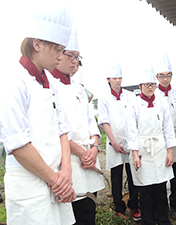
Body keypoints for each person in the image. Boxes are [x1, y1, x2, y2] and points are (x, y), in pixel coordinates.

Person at [0, 4, 76, 224]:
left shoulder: (50, 81)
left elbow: (62, 128)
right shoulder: (14, 80)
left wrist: (66, 171)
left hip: (56, 178)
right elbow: (17, 143)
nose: (62, 57)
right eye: (59, 50)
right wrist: (56, 180)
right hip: (29, 182)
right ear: (37, 44)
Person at [48, 26, 105, 225]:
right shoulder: (49, 87)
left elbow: (92, 123)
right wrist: (82, 153)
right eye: (70, 56)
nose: (74, 61)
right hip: (69, 160)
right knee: (71, 213)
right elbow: (56, 128)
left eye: (77, 57)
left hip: (88, 158)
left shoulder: (79, 88)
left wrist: (95, 148)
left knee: (89, 210)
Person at [126, 66, 176, 225]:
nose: (150, 88)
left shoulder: (162, 102)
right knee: (145, 191)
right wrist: (135, 155)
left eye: (152, 85)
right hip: (142, 150)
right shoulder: (133, 104)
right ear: (140, 86)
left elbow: (168, 129)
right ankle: (148, 221)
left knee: (161, 189)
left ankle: (163, 220)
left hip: (160, 149)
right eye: (146, 85)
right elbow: (131, 131)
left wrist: (170, 152)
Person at [98, 61, 141, 221]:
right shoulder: (104, 98)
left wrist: (132, 141)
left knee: (133, 175)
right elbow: (104, 121)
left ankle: (134, 205)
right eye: (114, 78)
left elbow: (134, 118)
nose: (117, 81)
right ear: (108, 79)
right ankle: (118, 206)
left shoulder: (130, 96)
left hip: (130, 142)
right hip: (113, 143)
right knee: (116, 176)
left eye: (120, 77)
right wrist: (113, 142)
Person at [154, 56, 176, 220]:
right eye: (162, 76)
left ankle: (175, 206)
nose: (165, 79)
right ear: (156, 77)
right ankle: (161, 208)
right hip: (161, 143)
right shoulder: (154, 95)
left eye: (168, 75)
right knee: (160, 177)